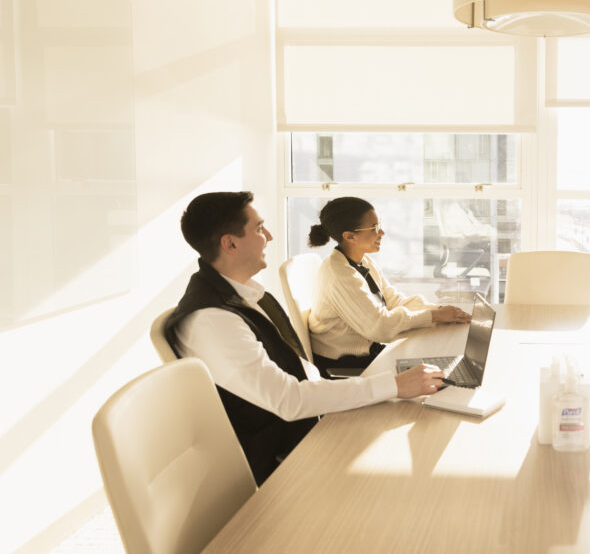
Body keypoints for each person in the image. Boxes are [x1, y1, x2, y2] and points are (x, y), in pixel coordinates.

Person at [164, 191, 444, 485]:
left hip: (312, 416)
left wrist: (379, 388)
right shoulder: (213, 321)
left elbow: (299, 377)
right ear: (230, 243)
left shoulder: (247, 295)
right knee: (413, 464)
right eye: (259, 228)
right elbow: (289, 401)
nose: (269, 237)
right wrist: (394, 385)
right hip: (287, 454)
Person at [306, 196, 470, 377]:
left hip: (369, 353)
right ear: (349, 236)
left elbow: (393, 301)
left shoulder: (362, 261)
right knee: (440, 374)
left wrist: (438, 310)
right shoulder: (339, 274)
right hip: (345, 364)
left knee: (442, 358)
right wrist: (433, 316)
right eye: (374, 228)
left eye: (379, 224)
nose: (381, 232)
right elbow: (380, 327)